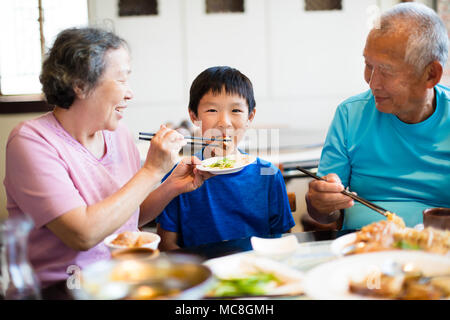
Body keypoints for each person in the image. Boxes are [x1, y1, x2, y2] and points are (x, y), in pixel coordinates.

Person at [3, 27, 211, 289]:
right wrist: (152, 171)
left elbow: (127, 214)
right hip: (64, 288)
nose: (130, 93)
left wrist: (171, 186)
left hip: (123, 279)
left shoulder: (117, 133)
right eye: (121, 80)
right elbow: (83, 233)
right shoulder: (30, 141)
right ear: (80, 84)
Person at [306, 2, 450, 230]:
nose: (372, 83)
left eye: (386, 71)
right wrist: (321, 203)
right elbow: (324, 215)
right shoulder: (349, 114)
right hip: (359, 247)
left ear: (431, 74)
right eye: (368, 65)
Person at [156, 66, 295, 250]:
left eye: (236, 110)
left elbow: (282, 242)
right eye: (212, 110)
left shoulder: (269, 175)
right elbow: (167, 246)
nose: (224, 123)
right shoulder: (179, 177)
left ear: (250, 116)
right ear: (194, 116)